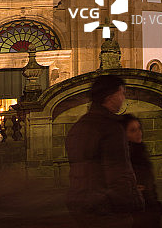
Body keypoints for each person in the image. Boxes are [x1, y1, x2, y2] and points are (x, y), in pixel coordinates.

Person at [65, 74, 143, 228]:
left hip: (81, 205)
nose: (123, 98)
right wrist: (133, 202)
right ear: (110, 96)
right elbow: (118, 173)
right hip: (107, 211)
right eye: (122, 93)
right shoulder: (111, 128)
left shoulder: (78, 126)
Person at [121, 114, 162, 228]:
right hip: (137, 212)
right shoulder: (124, 155)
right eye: (133, 130)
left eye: (139, 128)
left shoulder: (141, 150)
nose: (139, 133)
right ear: (123, 134)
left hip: (150, 207)